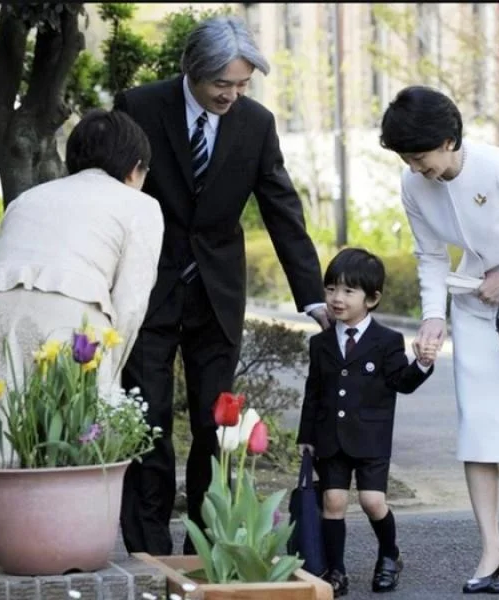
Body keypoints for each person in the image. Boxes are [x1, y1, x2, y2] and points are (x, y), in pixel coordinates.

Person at [112, 15, 329, 556]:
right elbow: (114, 196)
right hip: (150, 286)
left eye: (242, 85)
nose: (232, 95)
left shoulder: (256, 123)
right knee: (149, 418)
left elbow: (281, 207)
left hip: (217, 293)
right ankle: (148, 547)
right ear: (192, 70)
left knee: (217, 426)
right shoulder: (139, 107)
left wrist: (313, 295)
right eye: (222, 85)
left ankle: (205, 546)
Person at [380, 85, 499, 594]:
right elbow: (430, 256)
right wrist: (433, 317)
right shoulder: (413, 186)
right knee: (477, 432)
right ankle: (491, 548)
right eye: (407, 160)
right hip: (473, 305)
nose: (416, 168)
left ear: (449, 139)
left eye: (420, 157)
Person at [0, 108, 164, 550]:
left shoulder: (30, 197)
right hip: (71, 307)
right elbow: (130, 304)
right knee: (79, 424)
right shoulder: (140, 205)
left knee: (2, 420)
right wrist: (111, 373)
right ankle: (66, 543)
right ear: (136, 168)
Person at [296, 247, 437, 597]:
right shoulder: (321, 343)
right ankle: (336, 570)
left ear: (371, 299)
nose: (336, 298)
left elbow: (401, 384)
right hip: (330, 437)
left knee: (373, 501)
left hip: (371, 439)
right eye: (331, 289)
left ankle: (389, 555)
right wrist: (306, 436)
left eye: (347, 291)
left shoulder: (387, 341)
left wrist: (420, 364)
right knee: (333, 502)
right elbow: (313, 392)